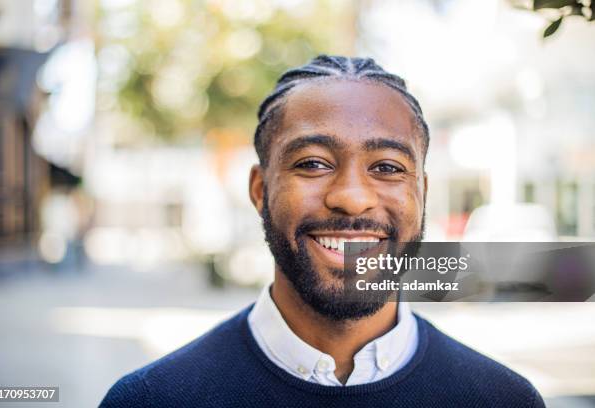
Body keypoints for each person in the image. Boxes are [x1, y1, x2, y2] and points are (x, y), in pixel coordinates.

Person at [100, 55, 545, 407]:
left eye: (388, 168)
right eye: (313, 163)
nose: (351, 197)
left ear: (422, 192)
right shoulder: (152, 400)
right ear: (260, 189)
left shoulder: (503, 400)